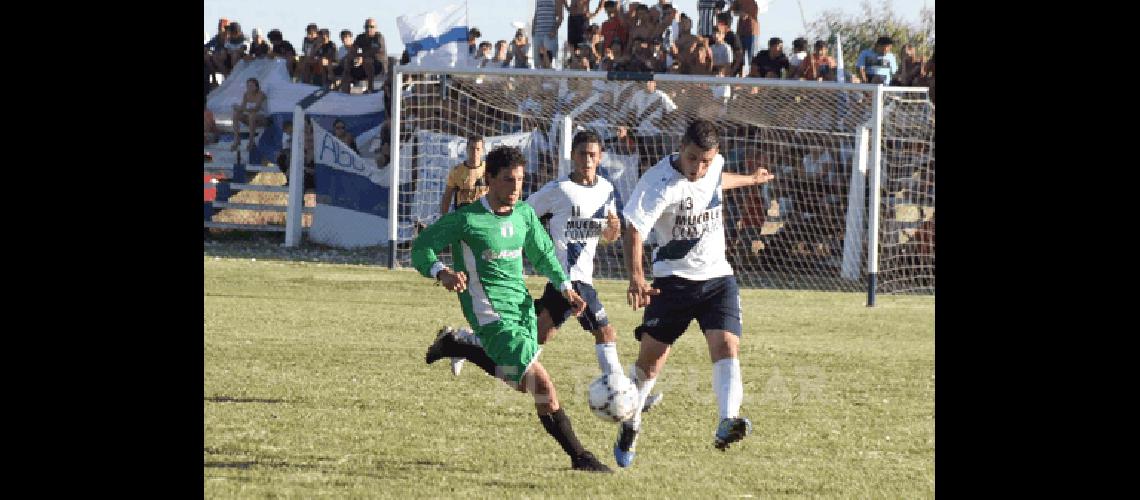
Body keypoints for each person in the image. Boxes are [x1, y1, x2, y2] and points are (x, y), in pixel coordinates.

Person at [413, 145, 613, 473]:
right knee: (544, 387)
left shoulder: (524, 214)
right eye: (508, 180)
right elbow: (422, 248)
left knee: (521, 382)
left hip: (522, 310)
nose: (516, 188)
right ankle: (581, 457)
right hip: (489, 313)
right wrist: (442, 272)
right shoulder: (466, 219)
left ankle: (458, 345)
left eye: (520, 180)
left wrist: (565, 288)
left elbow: (544, 253)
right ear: (489, 180)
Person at [435, 131, 666, 409]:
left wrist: (612, 231)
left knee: (538, 337)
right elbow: (521, 215)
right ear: (573, 156)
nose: (587, 160)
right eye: (582, 154)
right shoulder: (557, 190)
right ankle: (629, 399)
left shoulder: (606, 190)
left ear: (601, 156)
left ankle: (464, 343)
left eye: (593, 154)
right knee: (605, 332)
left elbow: (607, 234)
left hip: (575, 279)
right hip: (568, 279)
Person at [613, 118, 775, 468]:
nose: (698, 167)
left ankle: (726, 420)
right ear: (680, 148)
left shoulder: (713, 165)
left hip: (717, 277)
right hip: (671, 282)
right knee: (651, 362)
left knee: (726, 344)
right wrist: (636, 278)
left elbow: (717, 180)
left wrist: (751, 179)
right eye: (691, 159)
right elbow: (634, 231)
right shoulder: (658, 184)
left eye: (705, 160)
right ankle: (631, 421)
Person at [230, 78, 268, 152]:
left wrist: (242, 108)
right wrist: (237, 108)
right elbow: (243, 107)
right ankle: (237, 138)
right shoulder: (246, 94)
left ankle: (251, 140)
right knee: (236, 114)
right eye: (248, 86)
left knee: (252, 115)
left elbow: (256, 109)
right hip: (251, 116)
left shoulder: (261, 94)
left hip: (262, 118)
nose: (249, 87)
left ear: (256, 86)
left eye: (251, 86)